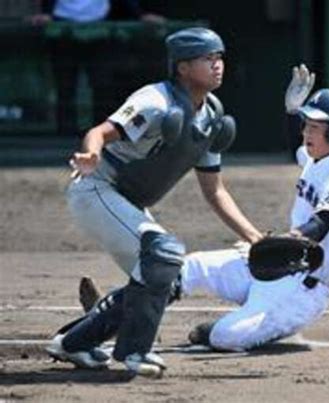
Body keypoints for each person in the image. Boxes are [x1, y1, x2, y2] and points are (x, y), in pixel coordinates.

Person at [46, 27, 262, 377]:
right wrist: (90, 155)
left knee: (170, 277)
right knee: (162, 254)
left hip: (126, 201)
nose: (218, 64)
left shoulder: (211, 116)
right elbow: (100, 132)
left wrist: (256, 238)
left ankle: (74, 342)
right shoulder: (154, 101)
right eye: (208, 58)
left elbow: (215, 192)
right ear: (182, 67)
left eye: (220, 57)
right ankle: (134, 353)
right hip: (96, 188)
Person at [173, 65, 329, 351]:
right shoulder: (319, 157)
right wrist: (293, 113)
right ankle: (119, 314)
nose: (306, 133)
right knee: (189, 267)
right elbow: (299, 147)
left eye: (314, 128)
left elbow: (318, 227)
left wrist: (275, 247)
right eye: (306, 126)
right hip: (280, 266)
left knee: (225, 337)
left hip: (302, 293)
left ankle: (218, 331)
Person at [30, 0, 165, 136]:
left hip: (101, 28)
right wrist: (45, 13)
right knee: (65, 86)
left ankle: (100, 133)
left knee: (102, 83)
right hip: (62, 27)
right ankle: (65, 135)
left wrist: (140, 15)